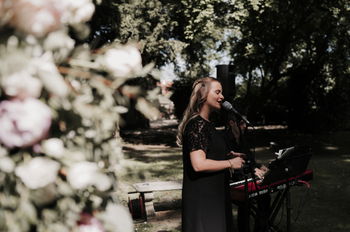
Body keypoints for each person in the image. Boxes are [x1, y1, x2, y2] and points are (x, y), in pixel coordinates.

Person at [177, 77, 245, 232]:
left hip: (214, 196)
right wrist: (230, 163)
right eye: (217, 92)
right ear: (203, 94)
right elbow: (198, 164)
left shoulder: (207, 124)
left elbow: (210, 154)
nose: (222, 97)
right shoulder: (197, 125)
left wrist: (229, 156)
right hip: (203, 200)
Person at [225, 114, 271, 232]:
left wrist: (259, 166)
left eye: (245, 123)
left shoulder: (242, 138)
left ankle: (261, 229)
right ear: (231, 123)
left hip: (245, 177)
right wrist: (253, 169)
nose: (244, 126)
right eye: (242, 123)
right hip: (231, 181)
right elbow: (233, 164)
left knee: (265, 195)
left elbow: (248, 157)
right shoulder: (224, 140)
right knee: (245, 201)